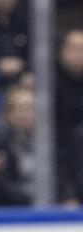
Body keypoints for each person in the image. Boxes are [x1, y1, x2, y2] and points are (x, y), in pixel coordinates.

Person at [56, 29, 83, 205]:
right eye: (74, 48)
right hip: (59, 149)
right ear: (62, 52)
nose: (79, 54)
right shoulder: (48, 83)